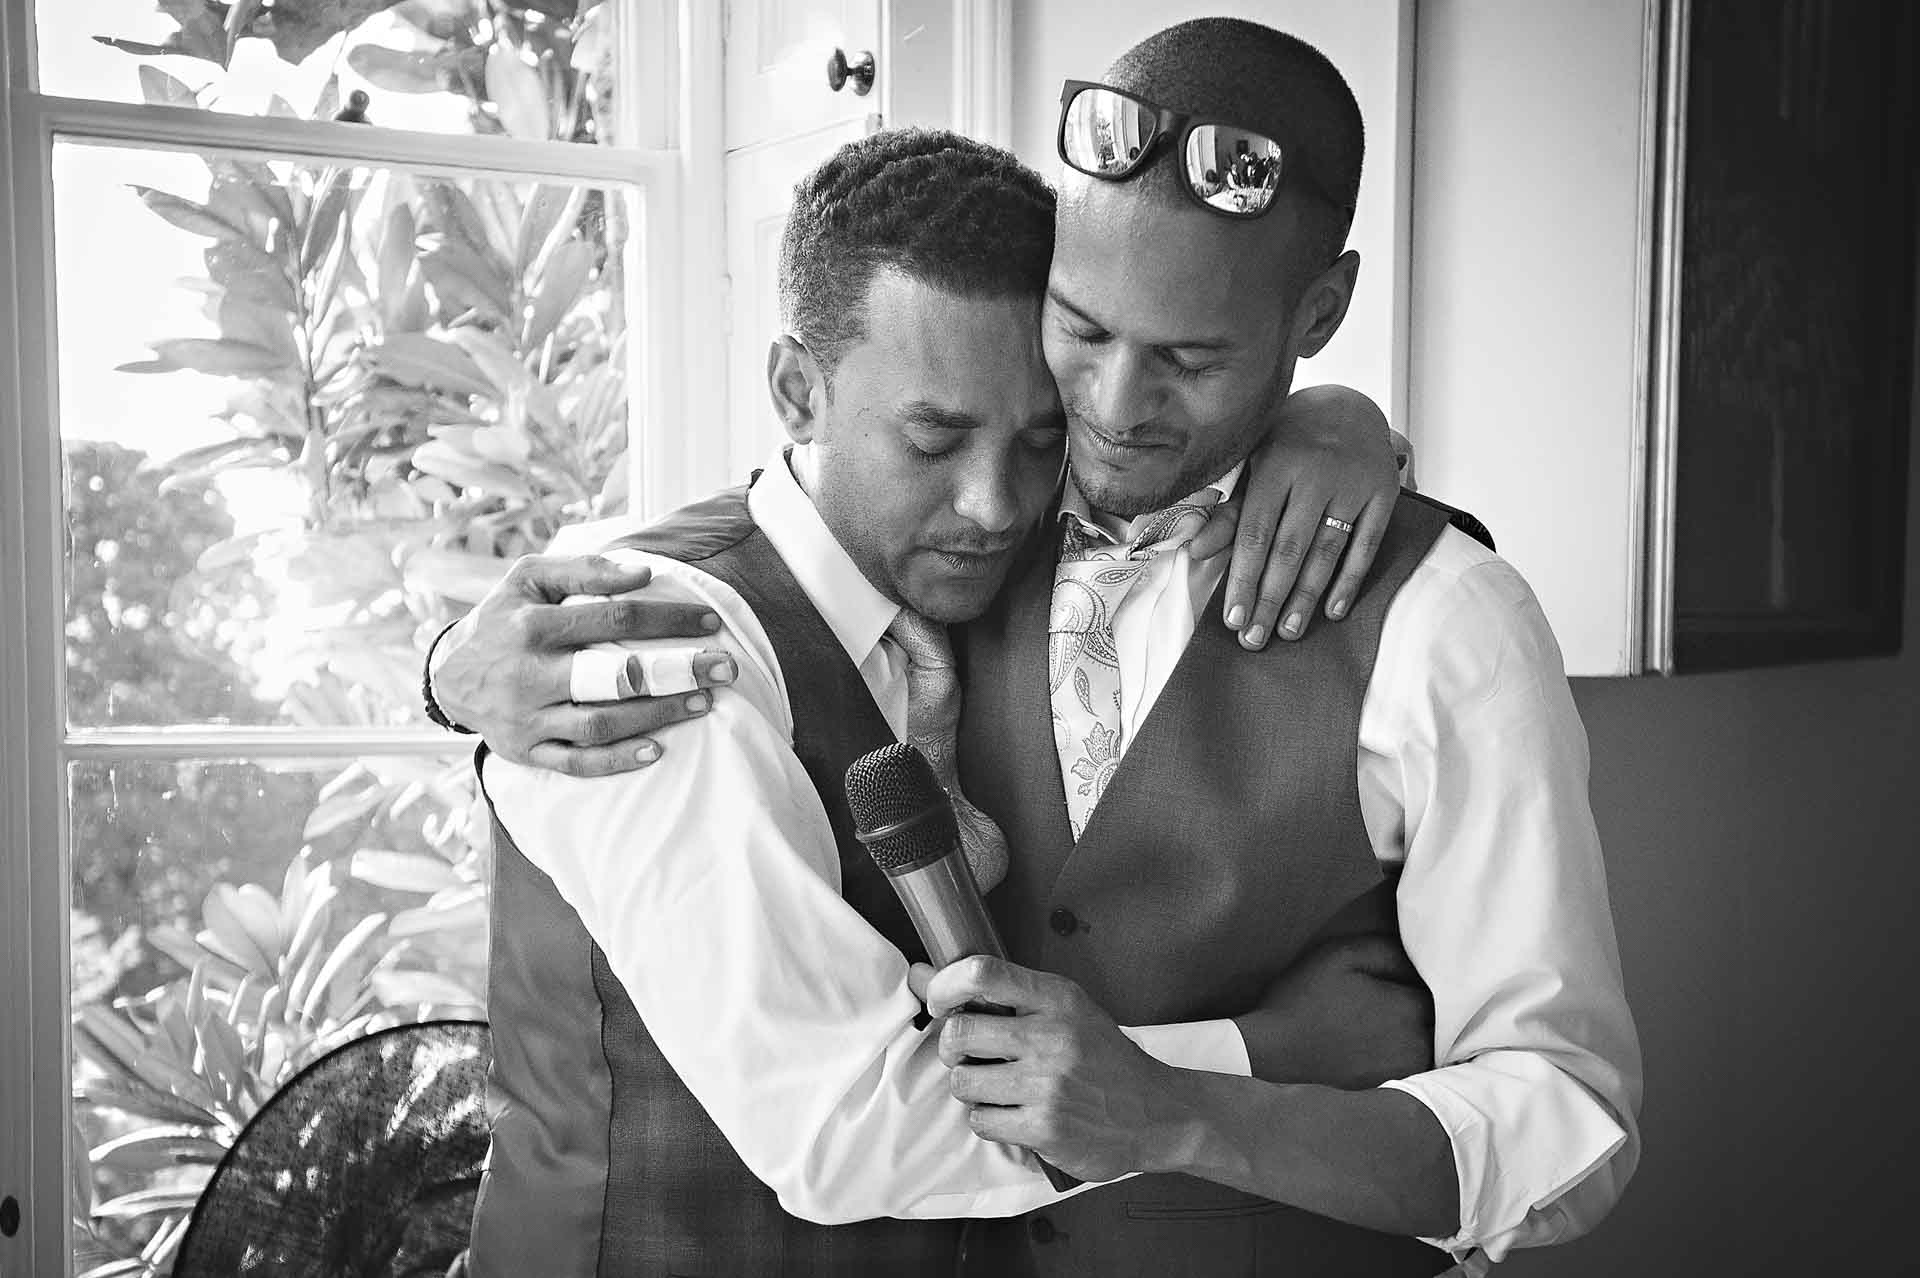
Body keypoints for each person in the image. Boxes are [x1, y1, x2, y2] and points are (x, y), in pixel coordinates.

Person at [450, 19, 1642, 1278]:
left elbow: (1570, 1124)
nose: (1115, 414)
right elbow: (756, 547)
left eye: (1193, 359)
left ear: (1322, 312)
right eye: (1078, 330)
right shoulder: (961, 530)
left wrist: (1343, 426)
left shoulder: (1449, 621)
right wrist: (443, 671)